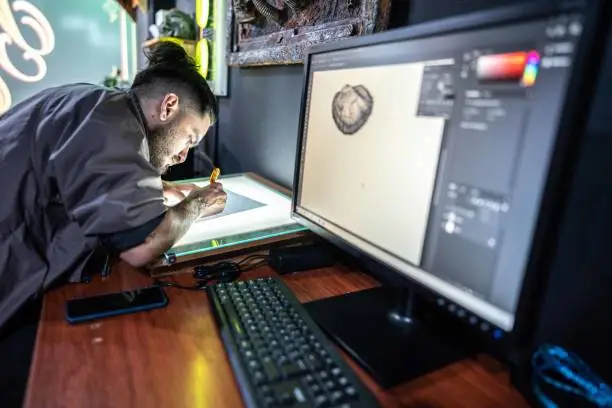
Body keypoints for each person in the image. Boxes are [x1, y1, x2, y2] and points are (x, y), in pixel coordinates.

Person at [0, 41, 227, 331]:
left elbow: (79, 175)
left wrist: (157, 187)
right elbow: (143, 247)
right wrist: (199, 203)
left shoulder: (99, 103)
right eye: (190, 137)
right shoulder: (115, 130)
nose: (184, 155)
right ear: (169, 106)